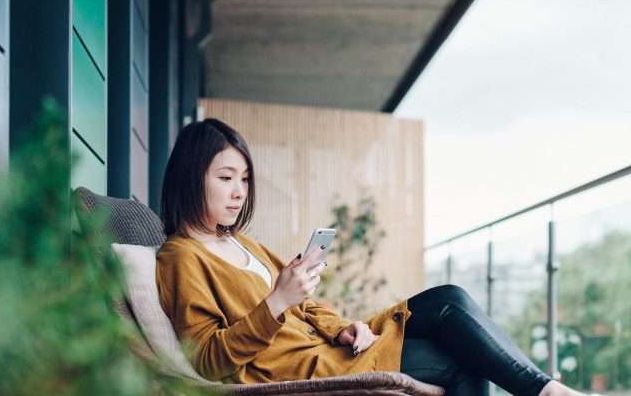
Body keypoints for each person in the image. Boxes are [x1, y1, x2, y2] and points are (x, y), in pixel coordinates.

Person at [155, 118, 590, 396]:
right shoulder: (181, 257)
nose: (239, 192)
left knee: (449, 299)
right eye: (226, 178)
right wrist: (276, 303)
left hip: (332, 348)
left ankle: (544, 389)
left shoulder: (242, 243)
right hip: (303, 370)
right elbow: (206, 360)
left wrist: (343, 327)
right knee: (459, 363)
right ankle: (545, 391)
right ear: (192, 178)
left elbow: (306, 309)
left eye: (245, 179)